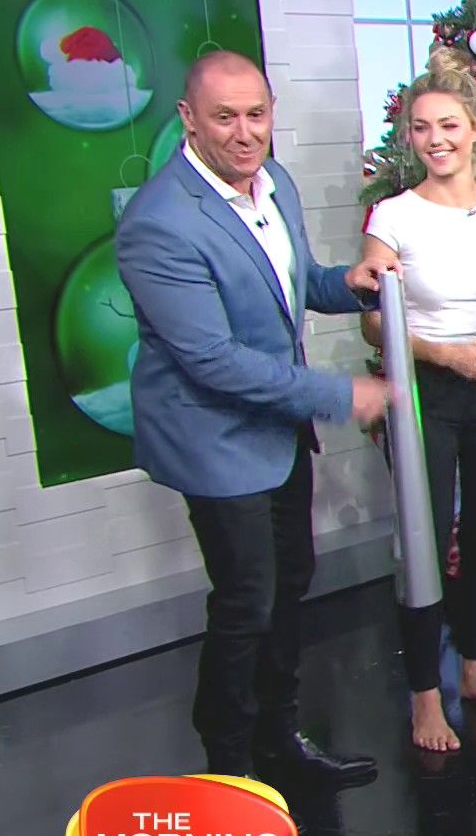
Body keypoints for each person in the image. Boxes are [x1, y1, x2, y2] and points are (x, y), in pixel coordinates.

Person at [116, 51, 388, 784]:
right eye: (225, 117)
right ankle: (228, 772)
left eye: (257, 114)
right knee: (247, 602)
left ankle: (279, 742)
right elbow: (211, 359)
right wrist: (340, 394)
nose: (245, 133)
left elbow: (287, 286)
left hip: (275, 428)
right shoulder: (159, 224)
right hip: (211, 434)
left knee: (290, 579)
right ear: (188, 119)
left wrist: (348, 284)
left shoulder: (275, 183)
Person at [359, 47, 476, 752]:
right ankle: (425, 698)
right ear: (409, 136)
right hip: (425, 389)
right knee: (424, 541)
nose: (436, 140)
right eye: (422, 127)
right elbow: (373, 323)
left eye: (449, 126)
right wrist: (441, 353)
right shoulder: (393, 216)